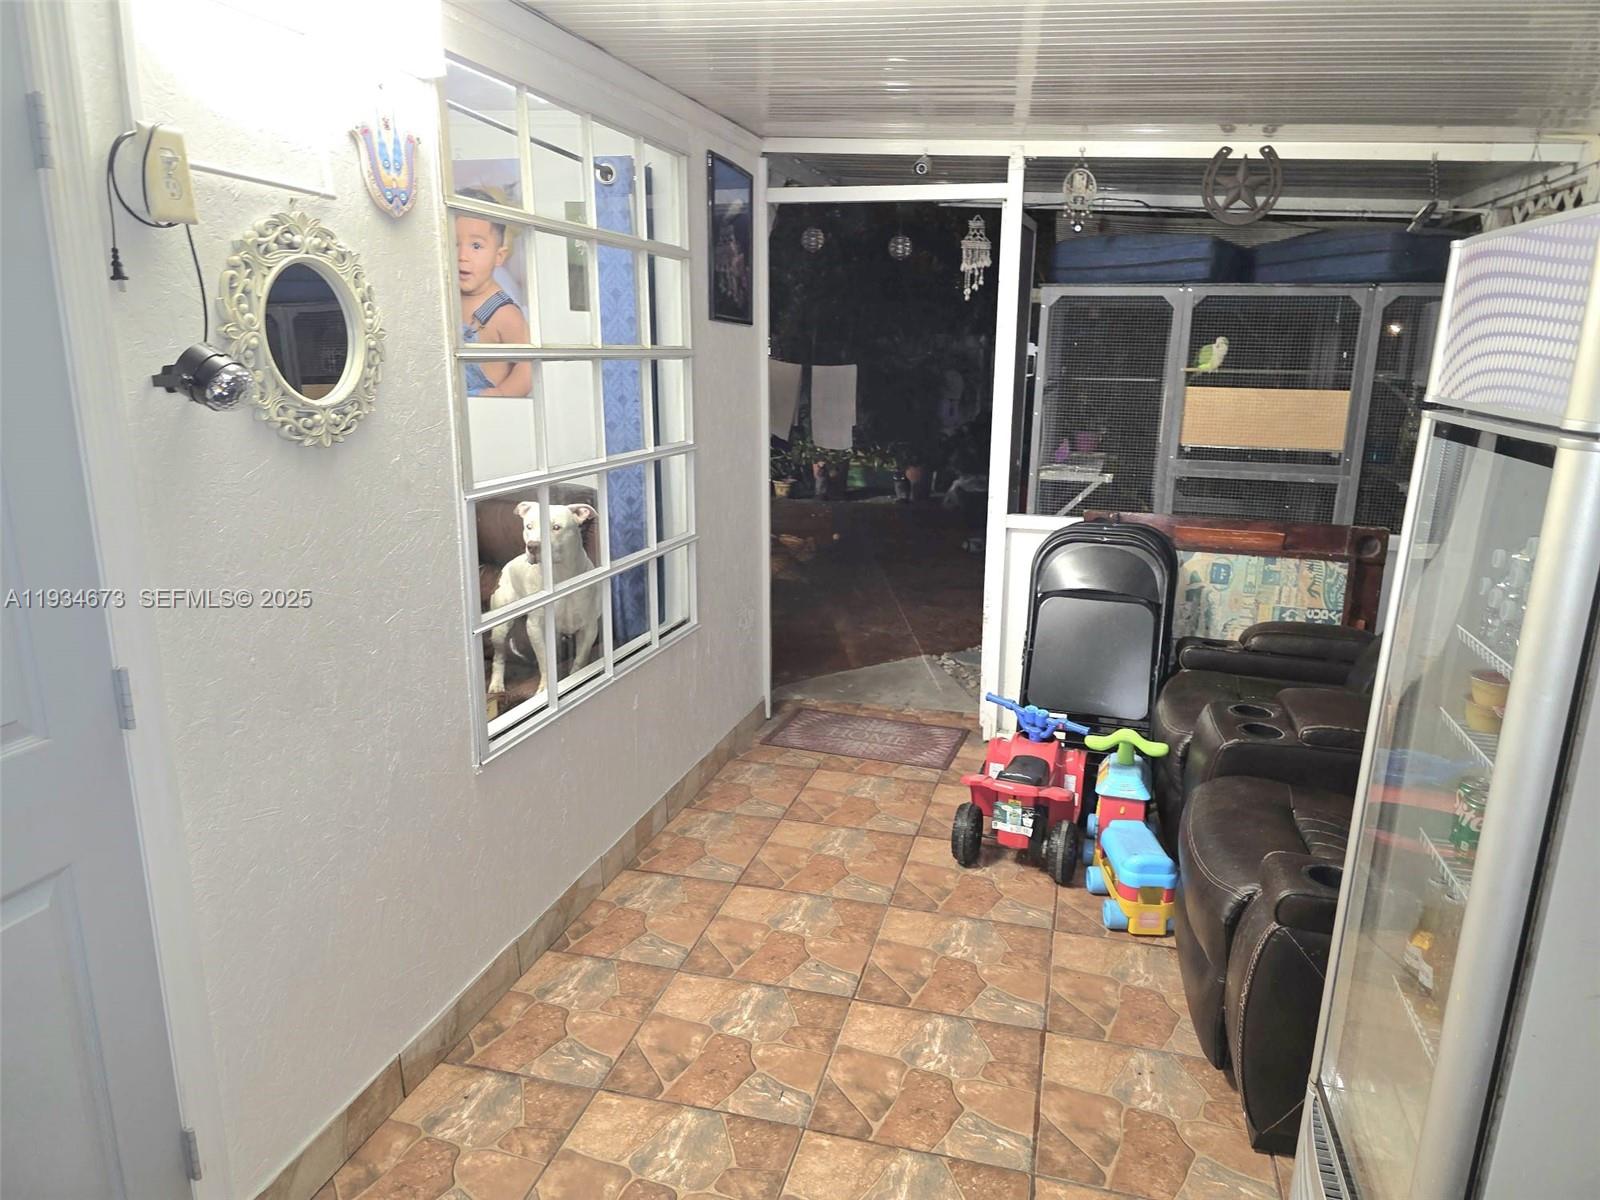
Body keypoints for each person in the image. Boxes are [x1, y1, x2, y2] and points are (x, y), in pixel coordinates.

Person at [456, 187, 531, 397]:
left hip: (488, 410)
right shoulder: (446, 300)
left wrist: (500, 394)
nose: (462, 255)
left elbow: (527, 366)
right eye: (453, 244)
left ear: (499, 256)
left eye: (476, 246)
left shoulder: (504, 314)